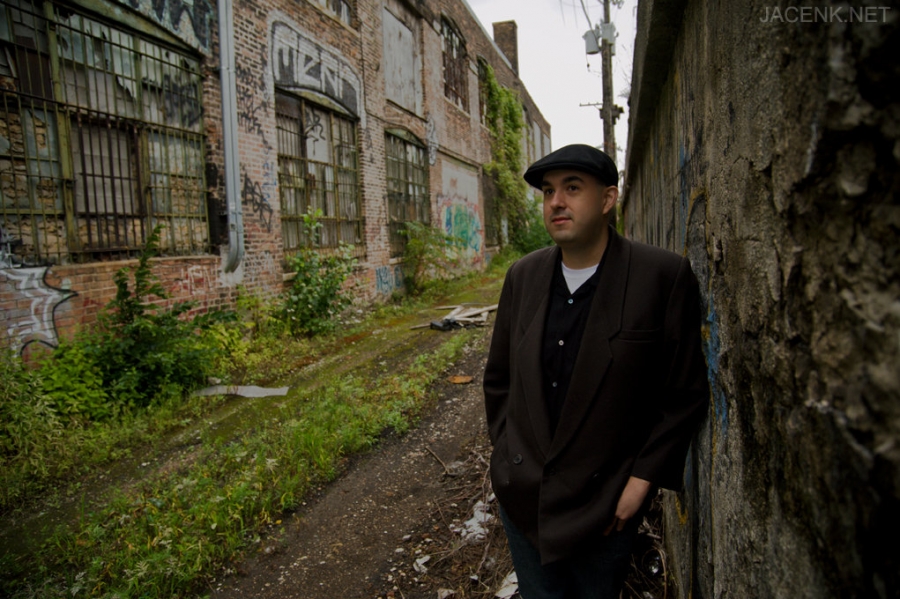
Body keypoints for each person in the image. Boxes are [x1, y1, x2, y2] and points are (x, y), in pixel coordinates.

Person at [483, 144, 709, 599]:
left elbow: (683, 393)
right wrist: (508, 454)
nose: (556, 203)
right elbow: (500, 380)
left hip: (605, 505)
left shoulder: (661, 277)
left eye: (571, 188)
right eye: (548, 192)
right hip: (525, 498)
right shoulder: (523, 276)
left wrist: (640, 484)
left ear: (608, 199)